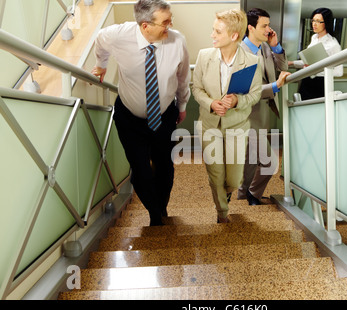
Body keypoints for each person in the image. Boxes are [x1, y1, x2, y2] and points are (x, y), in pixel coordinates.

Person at [91, 0, 191, 226]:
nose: (170, 25)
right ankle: (155, 213)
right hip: (129, 118)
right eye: (165, 22)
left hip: (164, 115)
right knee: (140, 171)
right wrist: (101, 63)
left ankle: (161, 207)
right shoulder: (119, 35)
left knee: (165, 167)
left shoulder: (177, 41)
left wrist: (182, 105)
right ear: (145, 25)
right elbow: (100, 40)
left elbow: (183, 77)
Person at [192, 9, 262, 223]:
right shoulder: (204, 56)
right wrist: (211, 103)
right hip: (209, 124)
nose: (212, 35)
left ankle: (228, 191)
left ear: (233, 36)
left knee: (233, 178)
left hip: (237, 126)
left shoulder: (251, 61)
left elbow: (255, 93)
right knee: (215, 174)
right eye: (213, 30)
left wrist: (237, 101)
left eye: (217, 31)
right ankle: (222, 212)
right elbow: (197, 89)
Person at [237, 8, 290, 205]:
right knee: (269, 162)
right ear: (250, 27)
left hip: (263, 114)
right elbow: (246, 91)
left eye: (269, 25)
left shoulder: (265, 47)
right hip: (246, 115)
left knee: (252, 160)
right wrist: (275, 86)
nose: (269, 29)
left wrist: (276, 47)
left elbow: (283, 70)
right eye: (264, 26)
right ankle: (253, 194)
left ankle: (244, 195)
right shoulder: (239, 52)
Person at [288, 7, 343, 100]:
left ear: (326, 22)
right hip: (307, 81)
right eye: (313, 20)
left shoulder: (333, 45)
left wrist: (315, 70)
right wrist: (292, 63)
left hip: (320, 83)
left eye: (318, 21)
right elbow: (309, 61)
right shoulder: (314, 37)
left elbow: (338, 72)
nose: (314, 24)